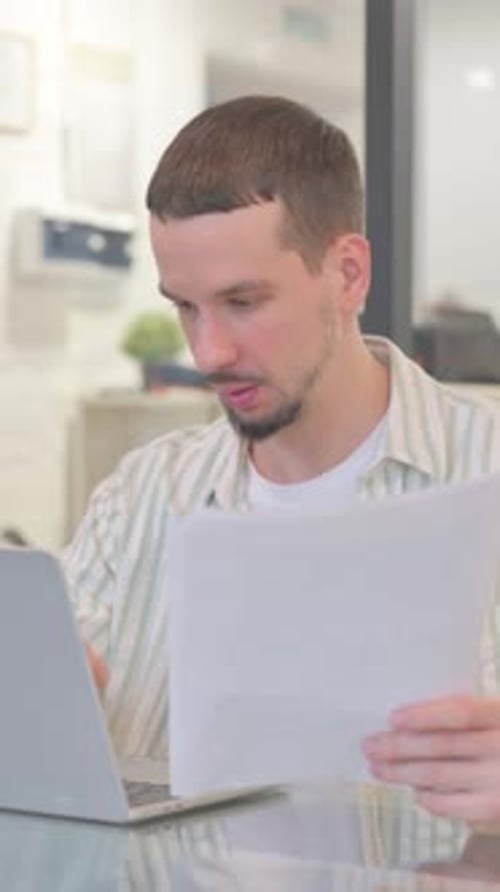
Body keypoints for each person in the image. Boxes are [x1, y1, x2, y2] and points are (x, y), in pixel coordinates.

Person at [65, 95, 500, 823]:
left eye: (243, 302)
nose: (209, 352)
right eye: (186, 307)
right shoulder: (138, 496)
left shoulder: (483, 468)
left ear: (349, 274)